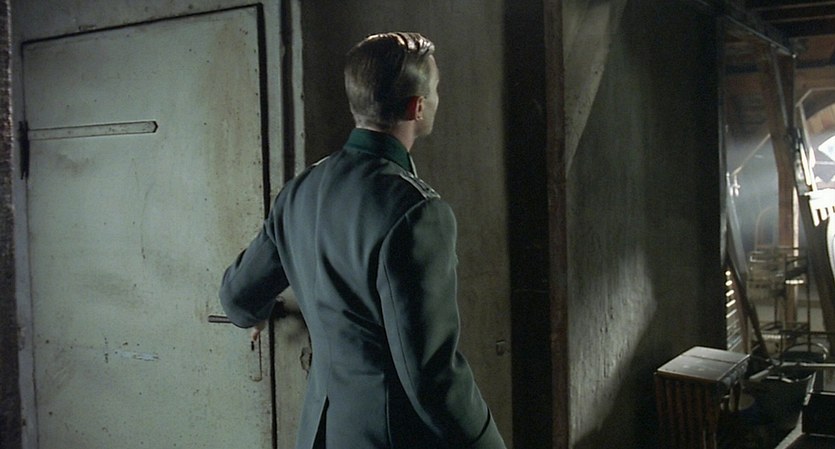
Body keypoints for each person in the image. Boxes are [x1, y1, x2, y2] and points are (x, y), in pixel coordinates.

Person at [219, 32, 506, 449]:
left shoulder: (300, 191)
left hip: (320, 434)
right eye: (436, 89)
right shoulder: (416, 212)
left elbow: (237, 297)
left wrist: (261, 312)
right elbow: (430, 375)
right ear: (417, 107)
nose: (437, 98)